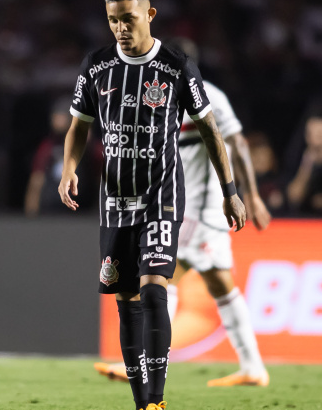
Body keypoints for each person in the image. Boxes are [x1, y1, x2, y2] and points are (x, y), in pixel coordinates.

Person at [60, 0, 246, 410]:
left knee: (155, 287)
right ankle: (142, 409)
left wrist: (231, 190)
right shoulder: (97, 66)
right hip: (114, 201)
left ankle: (158, 403)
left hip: (161, 196)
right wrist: (69, 170)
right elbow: (78, 126)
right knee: (125, 300)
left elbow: (211, 132)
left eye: (128, 18)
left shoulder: (176, 67)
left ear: (150, 15)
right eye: (113, 20)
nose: (121, 28)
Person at [93, 38, 271, 387]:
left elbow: (236, 143)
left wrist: (252, 195)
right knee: (220, 283)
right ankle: (253, 367)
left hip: (201, 207)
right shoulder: (159, 94)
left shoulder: (211, 97)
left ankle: (144, 363)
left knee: (162, 276)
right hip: (182, 202)